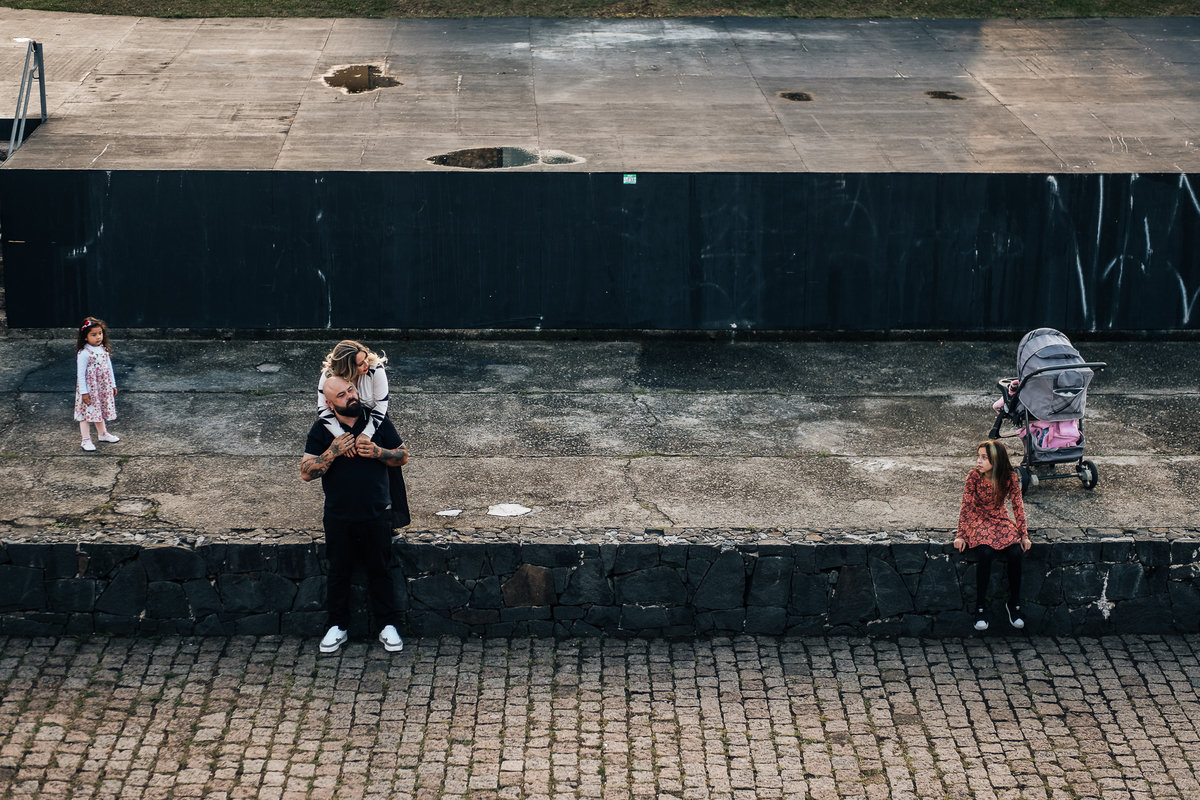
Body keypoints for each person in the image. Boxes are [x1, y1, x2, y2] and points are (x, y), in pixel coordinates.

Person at [302, 375, 408, 654]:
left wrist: (377, 451)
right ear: (329, 403)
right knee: (338, 572)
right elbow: (305, 472)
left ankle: (387, 626)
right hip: (338, 516)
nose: (350, 396)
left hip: (376, 513)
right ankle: (337, 627)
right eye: (342, 395)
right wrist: (333, 452)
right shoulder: (323, 429)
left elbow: (402, 456)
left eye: (351, 389)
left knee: (381, 570)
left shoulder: (377, 422)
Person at [954, 439, 1031, 632]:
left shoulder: (1010, 477)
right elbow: (966, 506)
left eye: (984, 457)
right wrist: (961, 534)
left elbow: (1017, 506)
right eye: (978, 456)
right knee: (985, 552)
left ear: (996, 460)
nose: (979, 461)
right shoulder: (973, 476)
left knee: (1015, 552)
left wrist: (1023, 535)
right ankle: (980, 607)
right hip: (979, 520)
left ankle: (1014, 603)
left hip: (1000, 519)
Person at [317, 340, 389, 439]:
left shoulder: (375, 368)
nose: (366, 364)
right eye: (360, 364)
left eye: (366, 358)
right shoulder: (329, 376)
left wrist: (367, 434)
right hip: (342, 424)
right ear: (348, 368)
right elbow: (324, 409)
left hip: (374, 422)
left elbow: (381, 404)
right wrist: (342, 437)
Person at [74, 317, 120, 452]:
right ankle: (86, 439)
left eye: (100, 333)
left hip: (102, 388)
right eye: (93, 334)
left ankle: (103, 434)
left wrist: (112, 385)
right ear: (85, 337)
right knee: (86, 413)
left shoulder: (103, 350)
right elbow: (80, 375)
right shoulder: (84, 353)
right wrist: (84, 392)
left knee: (98, 411)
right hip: (89, 390)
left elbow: (109, 368)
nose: (98, 337)